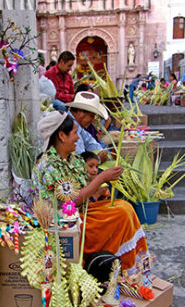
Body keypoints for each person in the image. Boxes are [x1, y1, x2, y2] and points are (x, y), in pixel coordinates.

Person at [33, 111, 149, 273]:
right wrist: (101, 179)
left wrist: (97, 192)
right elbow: (70, 203)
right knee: (121, 214)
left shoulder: (73, 158)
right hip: (64, 222)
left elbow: (83, 192)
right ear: (61, 136)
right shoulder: (49, 166)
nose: (78, 138)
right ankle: (118, 268)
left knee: (124, 207)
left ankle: (129, 267)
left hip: (82, 211)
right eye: (74, 133)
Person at [65, 91, 109, 163]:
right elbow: (77, 162)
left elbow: (90, 142)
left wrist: (102, 152)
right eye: (91, 116)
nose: (92, 120)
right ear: (79, 112)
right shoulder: (69, 126)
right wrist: (98, 159)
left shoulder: (78, 126)